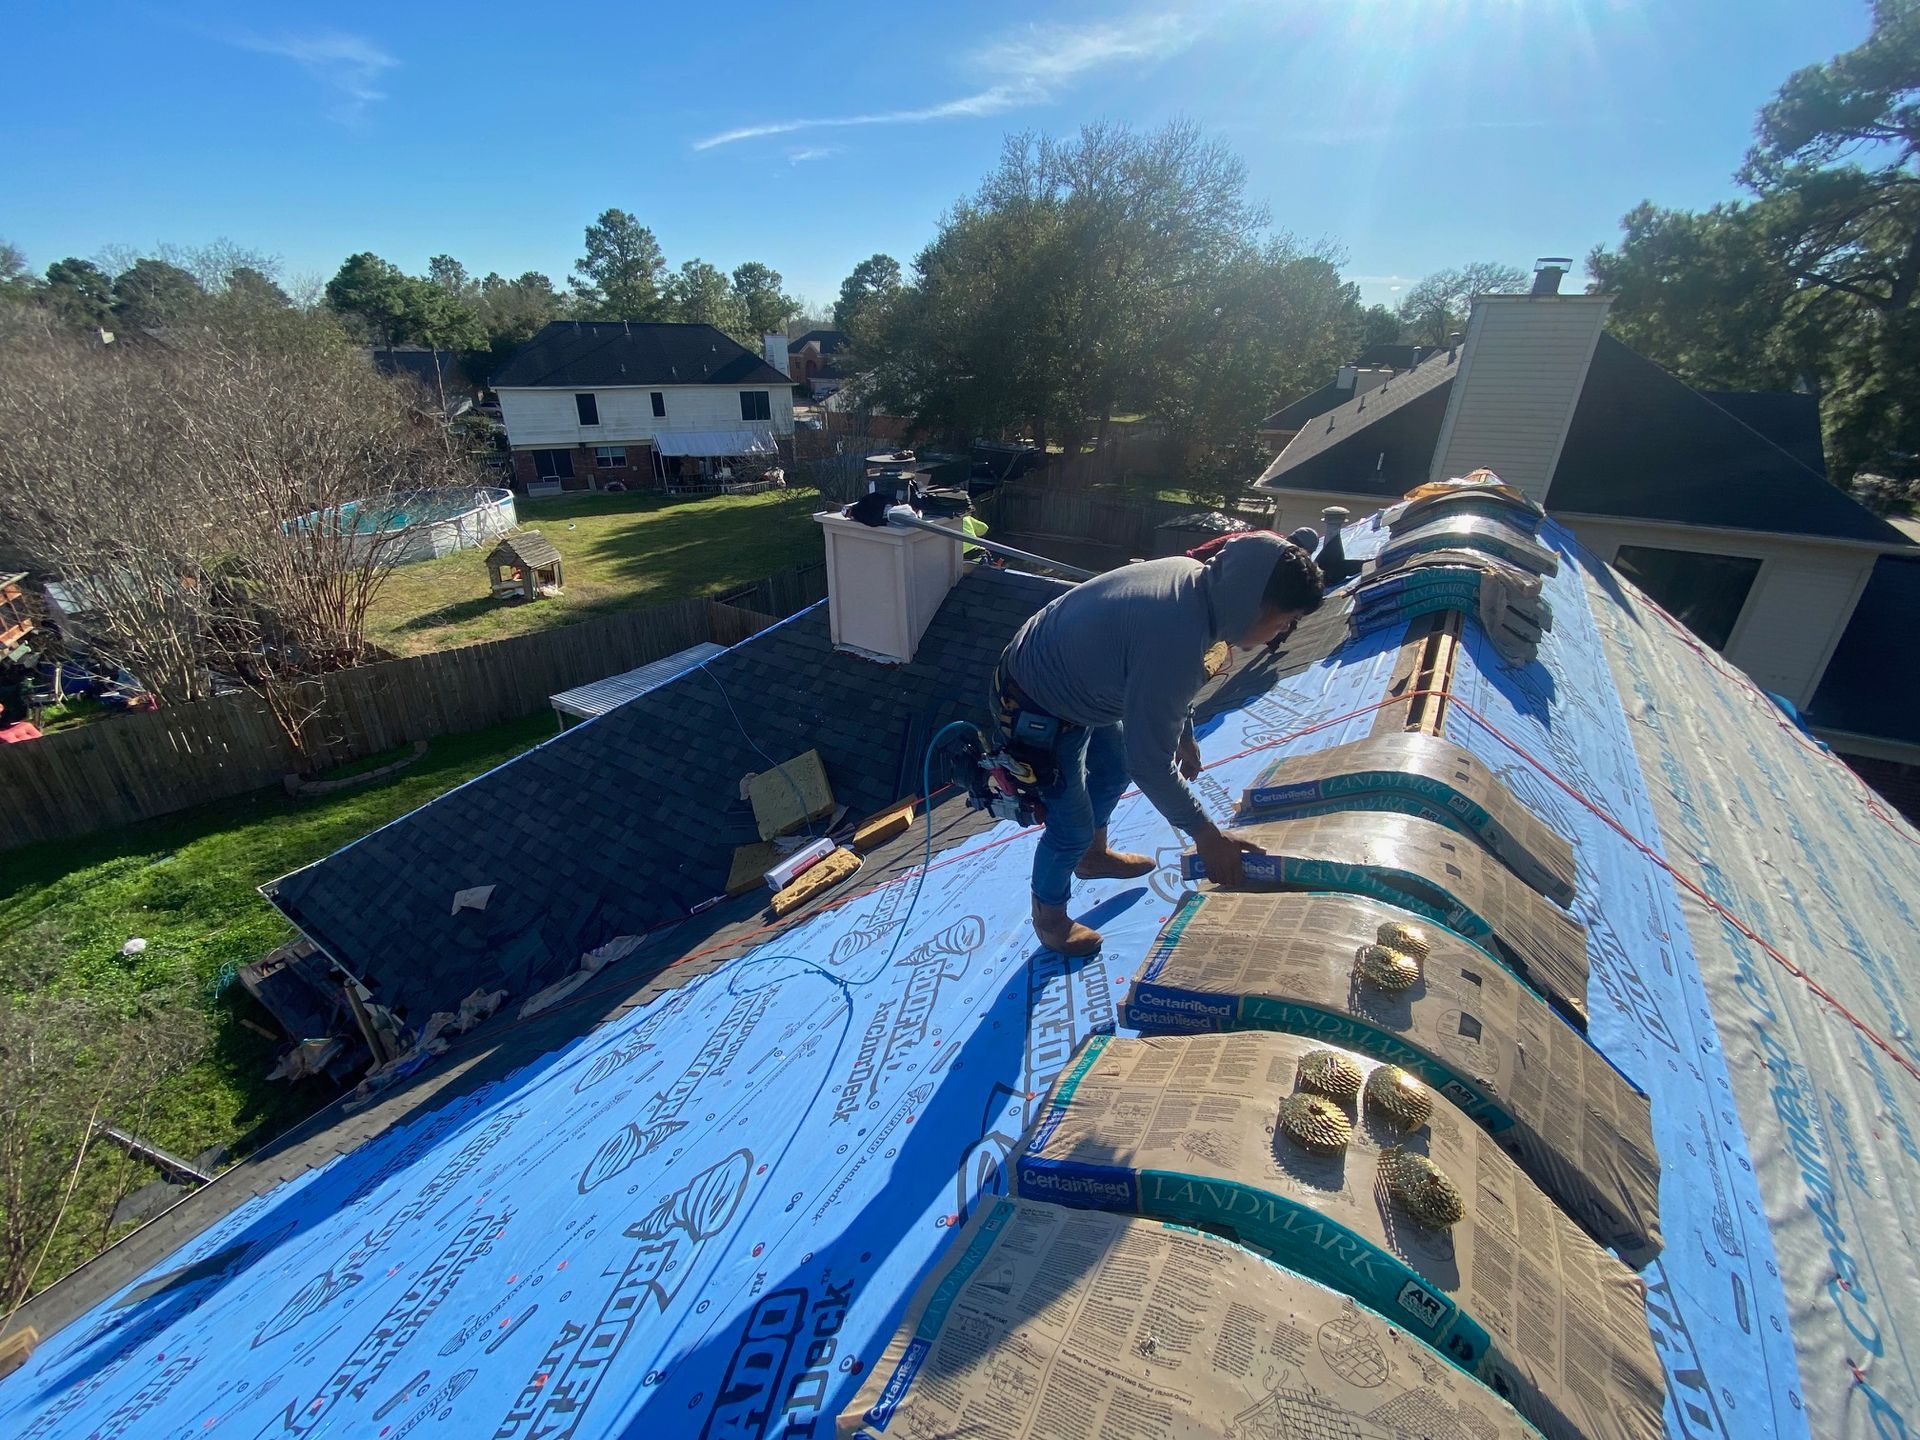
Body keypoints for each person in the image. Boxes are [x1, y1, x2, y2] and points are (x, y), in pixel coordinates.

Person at [993, 534, 1324, 955]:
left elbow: (1165, 677)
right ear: (1252, 601)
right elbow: (1149, 762)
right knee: (1069, 825)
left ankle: (1092, 857)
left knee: (1111, 768)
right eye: (1284, 618)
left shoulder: (1202, 587)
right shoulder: (1176, 633)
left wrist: (1183, 730)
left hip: (1083, 676)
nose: (1285, 629)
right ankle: (1050, 918)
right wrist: (1207, 835)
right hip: (1036, 700)